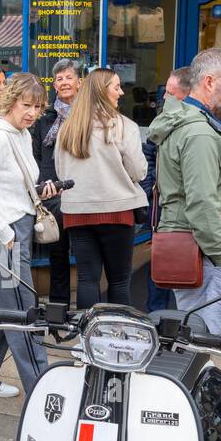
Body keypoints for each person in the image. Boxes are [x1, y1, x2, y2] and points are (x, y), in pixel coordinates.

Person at [0, 72, 55, 400]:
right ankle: (42, 391)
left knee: (8, 310)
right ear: (11, 100)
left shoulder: (18, 134)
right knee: (22, 313)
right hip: (6, 235)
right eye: (26, 104)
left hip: (16, 230)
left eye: (38, 107)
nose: (32, 112)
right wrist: (4, 233)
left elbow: (10, 187)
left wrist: (37, 193)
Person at [147, 48, 221, 334]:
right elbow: (201, 203)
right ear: (210, 82)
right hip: (204, 250)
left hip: (196, 246)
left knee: (189, 330)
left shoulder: (189, 122)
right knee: (203, 336)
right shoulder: (198, 132)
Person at [55, 68, 147, 309]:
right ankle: (117, 337)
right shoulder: (125, 126)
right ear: (102, 91)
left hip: (77, 211)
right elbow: (138, 172)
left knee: (87, 278)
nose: (121, 92)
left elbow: (61, 171)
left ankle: (86, 339)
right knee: (118, 282)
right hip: (117, 209)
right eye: (116, 87)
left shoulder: (69, 128)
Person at [31, 59, 84, 305]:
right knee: (58, 254)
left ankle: (86, 311)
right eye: (59, 78)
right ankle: (58, 310)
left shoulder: (88, 117)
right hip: (52, 194)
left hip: (83, 193)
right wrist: (43, 186)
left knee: (86, 255)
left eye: (69, 77)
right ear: (54, 85)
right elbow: (37, 157)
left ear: (80, 83)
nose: (64, 82)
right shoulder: (44, 119)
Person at [142, 66, 192, 313]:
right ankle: (156, 317)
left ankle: (189, 321)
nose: (164, 98)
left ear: (186, 93)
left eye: (170, 93)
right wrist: (153, 185)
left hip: (197, 208)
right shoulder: (160, 122)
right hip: (163, 206)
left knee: (193, 266)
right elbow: (149, 157)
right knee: (160, 263)